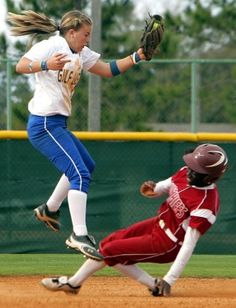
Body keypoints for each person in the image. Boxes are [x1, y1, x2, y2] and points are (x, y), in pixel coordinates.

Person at [7, 10, 147, 261]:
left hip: (57, 123)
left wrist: (138, 56)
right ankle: (78, 234)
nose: (87, 39)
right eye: (85, 34)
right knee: (78, 173)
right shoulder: (52, 46)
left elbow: (108, 69)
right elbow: (20, 66)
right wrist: (45, 65)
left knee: (87, 166)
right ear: (71, 33)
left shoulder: (80, 52)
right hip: (44, 124)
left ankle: (49, 209)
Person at [40, 143, 228, 296]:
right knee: (109, 243)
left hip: (168, 243)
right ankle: (153, 285)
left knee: (110, 251)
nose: (190, 171)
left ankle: (73, 283)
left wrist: (169, 279)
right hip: (157, 224)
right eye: (191, 165)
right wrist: (153, 190)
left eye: (197, 170)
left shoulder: (206, 205)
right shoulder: (184, 172)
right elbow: (165, 186)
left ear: (211, 177)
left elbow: (188, 245)